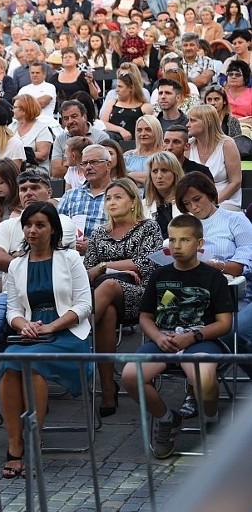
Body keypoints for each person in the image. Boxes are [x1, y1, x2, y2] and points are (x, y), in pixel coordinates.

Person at [121, 215, 234, 458]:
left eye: (184, 240)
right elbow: (145, 317)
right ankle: (166, 419)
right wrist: (158, 338)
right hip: (163, 341)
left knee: (203, 377)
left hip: (201, 341)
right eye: (172, 240)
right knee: (130, 375)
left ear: (199, 244)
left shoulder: (212, 277)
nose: (177, 246)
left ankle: (210, 417)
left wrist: (193, 336)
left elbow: (225, 323)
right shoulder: (160, 275)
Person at [0, 202, 92, 478]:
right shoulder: (16, 265)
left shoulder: (71, 259)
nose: (32, 230)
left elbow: (85, 305)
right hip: (31, 332)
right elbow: (13, 309)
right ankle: (15, 444)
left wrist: (51, 326)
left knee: (32, 365)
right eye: (28, 225)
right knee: (9, 366)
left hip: (67, 332)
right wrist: (24, 325)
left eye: (40, 225)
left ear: (53, 230)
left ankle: (33, 441)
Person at [84, 177, 163, 416]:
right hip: (106, 298)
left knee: (108, 285)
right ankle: (108, 388)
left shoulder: (148, 227)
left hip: (143, 295)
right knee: (106, 312)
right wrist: (117, 269)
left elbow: (148, 263)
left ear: (132, 202)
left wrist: (106, 265)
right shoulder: (99, 232)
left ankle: (74, 329)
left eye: (118, 197)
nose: (111, 202)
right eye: (108, 198)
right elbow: (88, 271)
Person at [187, 105, 244, 211]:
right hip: (194, 202)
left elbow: (235, 182)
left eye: (192, 121)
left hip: (225, 200)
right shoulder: (188, 146)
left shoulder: (227, 144)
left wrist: (213, 201)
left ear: (207, 122)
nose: (187, 125)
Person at [50, 101, 110, 179]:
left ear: (84, 117)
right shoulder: (60, 139)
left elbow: (102, 168)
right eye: (66, 118)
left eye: (74, 116)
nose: (70, 121)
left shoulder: (101, 137)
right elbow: (56, 171)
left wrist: (67, 162)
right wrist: (89, 161)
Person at [143, 151, 185, 237]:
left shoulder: (186, 203)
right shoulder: (143, 205)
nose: (159, 176)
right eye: (154, 171)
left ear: (175, 173)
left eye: (164, 170)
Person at [12, 94, 53, 172]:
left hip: (35, 172)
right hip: (13, 170)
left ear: (24, 110)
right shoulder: (12, 126)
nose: (12, 110)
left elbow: (43, 155)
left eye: (15, 107)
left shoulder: (42, 128)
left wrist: (20, 153)